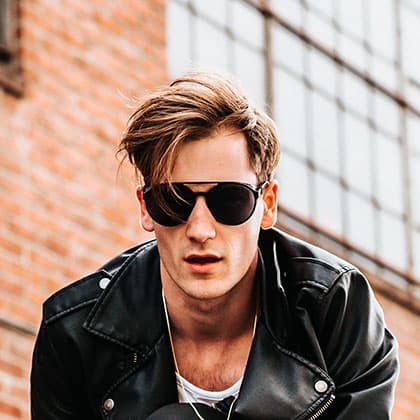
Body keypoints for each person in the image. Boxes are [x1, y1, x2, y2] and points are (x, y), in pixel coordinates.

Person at [31, 71, 399, 419]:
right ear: (145, 208)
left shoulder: (333, 310)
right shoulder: (75, 335)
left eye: (230, 201)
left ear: (268, 205)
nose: (200, 230)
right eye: (174, 201)